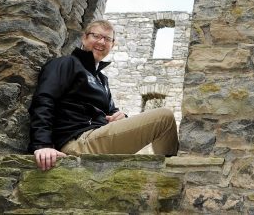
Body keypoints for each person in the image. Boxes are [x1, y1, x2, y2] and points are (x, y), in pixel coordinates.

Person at [28, 20, 179, 171]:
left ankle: (167, 172)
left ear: (112, 45)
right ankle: (173, 173)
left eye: (107, 39)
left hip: (97, 135)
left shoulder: (102, 80)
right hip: (78, 141)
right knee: (164, 118)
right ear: (84, 38)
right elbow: (44, 99)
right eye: (96, 36)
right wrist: (42, 145)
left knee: (162, 119)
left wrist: (121, 116)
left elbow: (111, 111)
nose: (101, 42)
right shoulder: (66, 63)